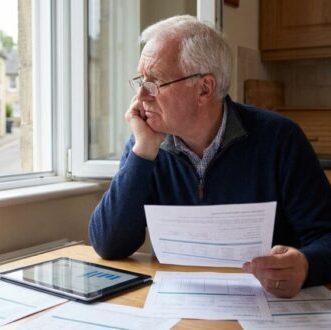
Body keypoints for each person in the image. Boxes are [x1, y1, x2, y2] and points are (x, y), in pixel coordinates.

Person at [88, 15, 331, 298]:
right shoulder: (146, 142)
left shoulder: (280, 138)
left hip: (264, 306)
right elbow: (108, 244)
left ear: (204, 88)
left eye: (154, 82)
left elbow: (326, 236)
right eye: (141, 80)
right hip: (176, 307)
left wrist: (305, 265)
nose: (141, 95)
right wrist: (142, 152)